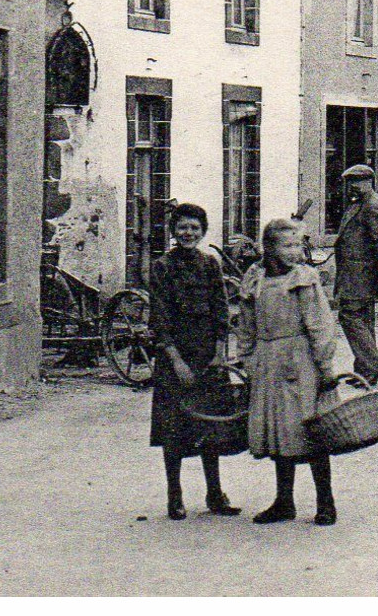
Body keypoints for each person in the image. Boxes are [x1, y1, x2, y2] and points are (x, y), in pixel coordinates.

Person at [237, 218, 341, 526]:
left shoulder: (305, 278)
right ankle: (284, 501)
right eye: (287, 245)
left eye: (298, 245)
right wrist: (247, 359)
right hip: (267, 361)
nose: (295, 252)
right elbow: (246, 323)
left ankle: (326, 501)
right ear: (268, 247)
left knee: (310, 430)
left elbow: (320, 324)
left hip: (301, 361)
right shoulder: (254, 277)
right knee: (278, 430)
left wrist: (325, 366)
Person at [146, 203, 246, 521]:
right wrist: (176, 361)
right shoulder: (161, 267)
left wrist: (220, 352)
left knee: (212, 428)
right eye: (183, 228)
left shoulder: (211, 263)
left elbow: (221, 311)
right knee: (173, 429)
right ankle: (174, 497)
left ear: (202, 232)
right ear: (174, 231)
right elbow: (159, 319)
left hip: (207, 357)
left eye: (194, 228)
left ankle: (215, 494)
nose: (188, 233)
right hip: (175, 358)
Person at [333, 164, 378, 384]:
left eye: (356, 182)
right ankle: (364, 372)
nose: (352, 187)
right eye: (350, 182)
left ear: (368, 182)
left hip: (361, 275)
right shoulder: (358, 204)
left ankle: (373, 365)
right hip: (354, 274)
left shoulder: (372, 205)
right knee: (364, 320)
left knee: (349, 316)